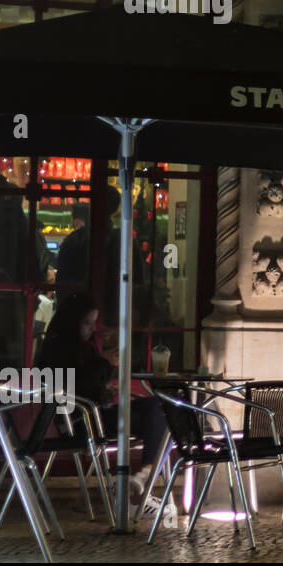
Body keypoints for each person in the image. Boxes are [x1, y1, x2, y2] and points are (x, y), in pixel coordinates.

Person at [35, 292, 168, 500]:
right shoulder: (56, 347)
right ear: (73, 321)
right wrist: (103, 363)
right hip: (79, 421)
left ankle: (146, 472)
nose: (92, 329)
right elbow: (74, 386)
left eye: (94, 323)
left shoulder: (82, 346)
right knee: (160, 416)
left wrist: (108, 365)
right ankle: (147, 473)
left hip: (94, 413)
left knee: (159, 409)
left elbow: (96, 384)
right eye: (88, 323)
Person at [55, 201, 92, 287]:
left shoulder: (73, 239)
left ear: (77, 220)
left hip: (73, 289)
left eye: (72, 217)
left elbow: (63, 269)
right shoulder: (100, 237)